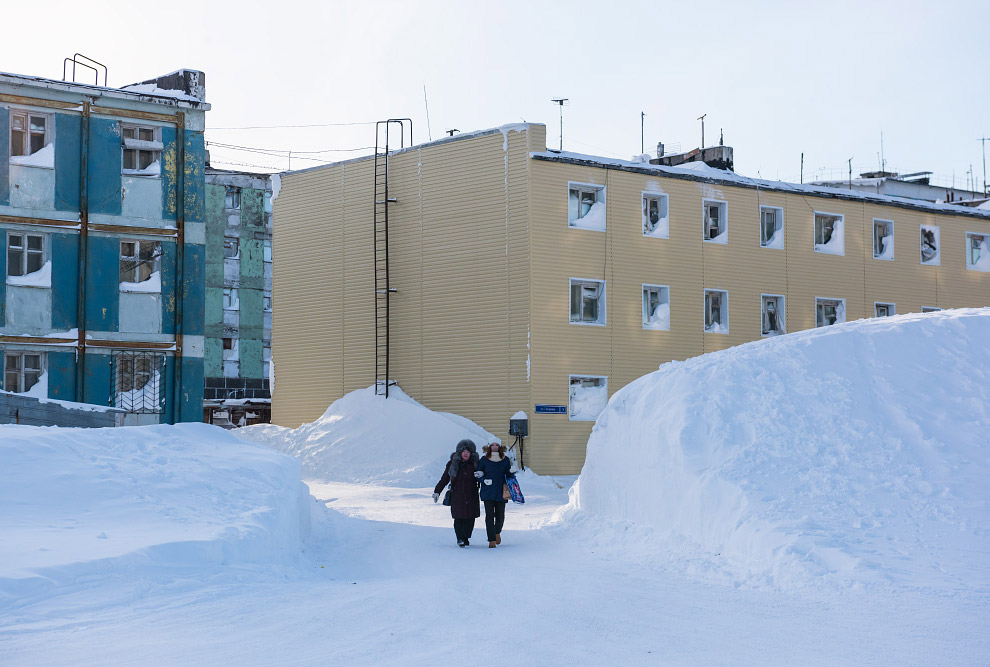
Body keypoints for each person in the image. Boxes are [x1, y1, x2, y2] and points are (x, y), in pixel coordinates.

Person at [433, 439, 483, 547]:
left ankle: (466, 537)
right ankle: (460, 538)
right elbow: (444, 479)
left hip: (472, 494)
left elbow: (485, 476)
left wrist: (482, 475)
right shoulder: (452, 464)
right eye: (464, 451)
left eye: (468, 452)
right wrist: (437, 491)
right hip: (458, 494)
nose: (466, 454)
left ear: (471, 454)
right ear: (459, 453)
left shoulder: (475, 464)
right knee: (459, 517)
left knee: (470, 518)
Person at [475, 441, 515, 548]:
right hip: (488, 492)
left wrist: (512, 471)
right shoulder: (484, 460)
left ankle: (497, 532)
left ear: (500, 446)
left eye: (496, 445)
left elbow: (509, 475)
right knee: (489, 516)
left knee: (500, 516)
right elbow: (478, 473)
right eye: (492, 445)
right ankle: (491, 539)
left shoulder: (505, 459)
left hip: (501, 492)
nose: (494, 447)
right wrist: (484, 480)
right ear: (488, 447)